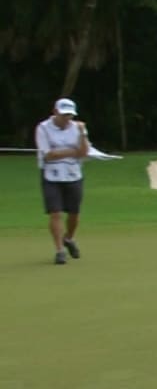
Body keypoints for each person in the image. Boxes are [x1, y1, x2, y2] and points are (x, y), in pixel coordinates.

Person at [35, 98, 90, 265]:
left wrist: (81, 133)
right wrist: (73, 151)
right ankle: (59, 251)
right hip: (51, 175)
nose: (67, 118)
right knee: (56, 213)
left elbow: (84, 152)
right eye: (64, 114)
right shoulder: (43, 128)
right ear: (55, 112)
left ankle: (69, 238)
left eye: (70, 115)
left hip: (73, 174)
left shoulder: (78, 128)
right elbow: (48, 154)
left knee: (74, 213)